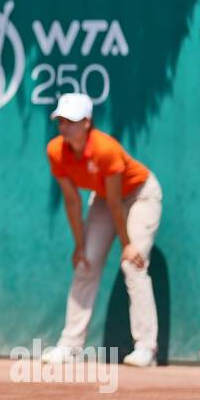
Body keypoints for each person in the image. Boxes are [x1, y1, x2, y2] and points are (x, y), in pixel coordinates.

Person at [43, 93, 163, 367]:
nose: (64, 126)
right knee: (85, 264)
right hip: (104, 199)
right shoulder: (55, 151)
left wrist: (127, 244)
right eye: (61, 120)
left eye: (71, 121)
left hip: (139, 195)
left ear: (86, 122)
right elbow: (72, 201)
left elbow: (116, 201)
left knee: (133, 265)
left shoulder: (105, 149)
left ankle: (146, 348)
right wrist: (79, 244)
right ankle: (70, 346)